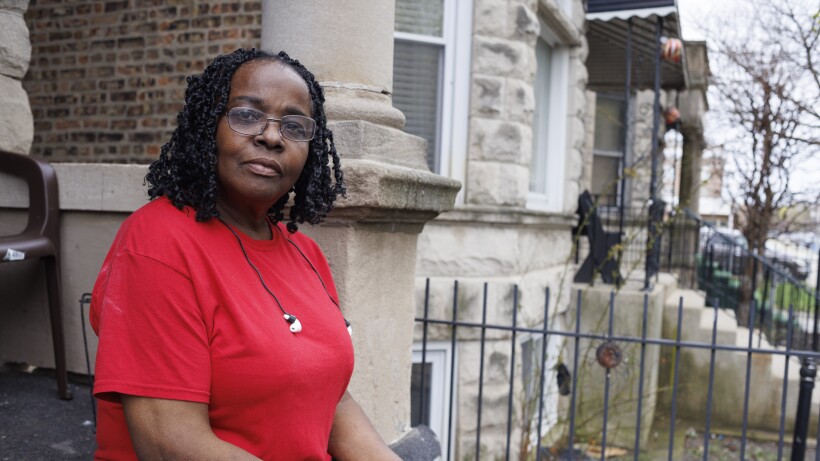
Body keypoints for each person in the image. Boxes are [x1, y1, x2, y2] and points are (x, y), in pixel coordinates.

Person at [90, 48, 401, 461]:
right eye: (247, 115)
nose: (272, 136)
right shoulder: (157, 243)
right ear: (208, 127)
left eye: (293, 125)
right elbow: (169, 443)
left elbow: (333, 403)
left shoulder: (306, 253)